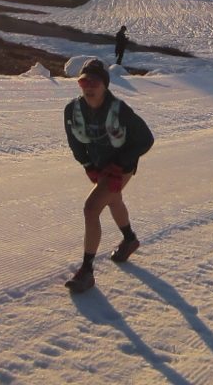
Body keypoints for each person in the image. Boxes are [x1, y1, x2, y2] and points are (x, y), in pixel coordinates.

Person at [63, 59, 154, 293]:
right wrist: (87, 165)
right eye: (84, 81)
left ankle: (87, 271)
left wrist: (120, 165)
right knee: (113, 200)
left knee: (91, 208)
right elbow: (75, 142)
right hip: (98, 165)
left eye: (94, 82)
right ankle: (129, 239)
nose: (89, 87)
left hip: (121, 167)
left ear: (105, 85)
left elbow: (145, 140)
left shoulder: (119, 110)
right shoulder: (73, 110)